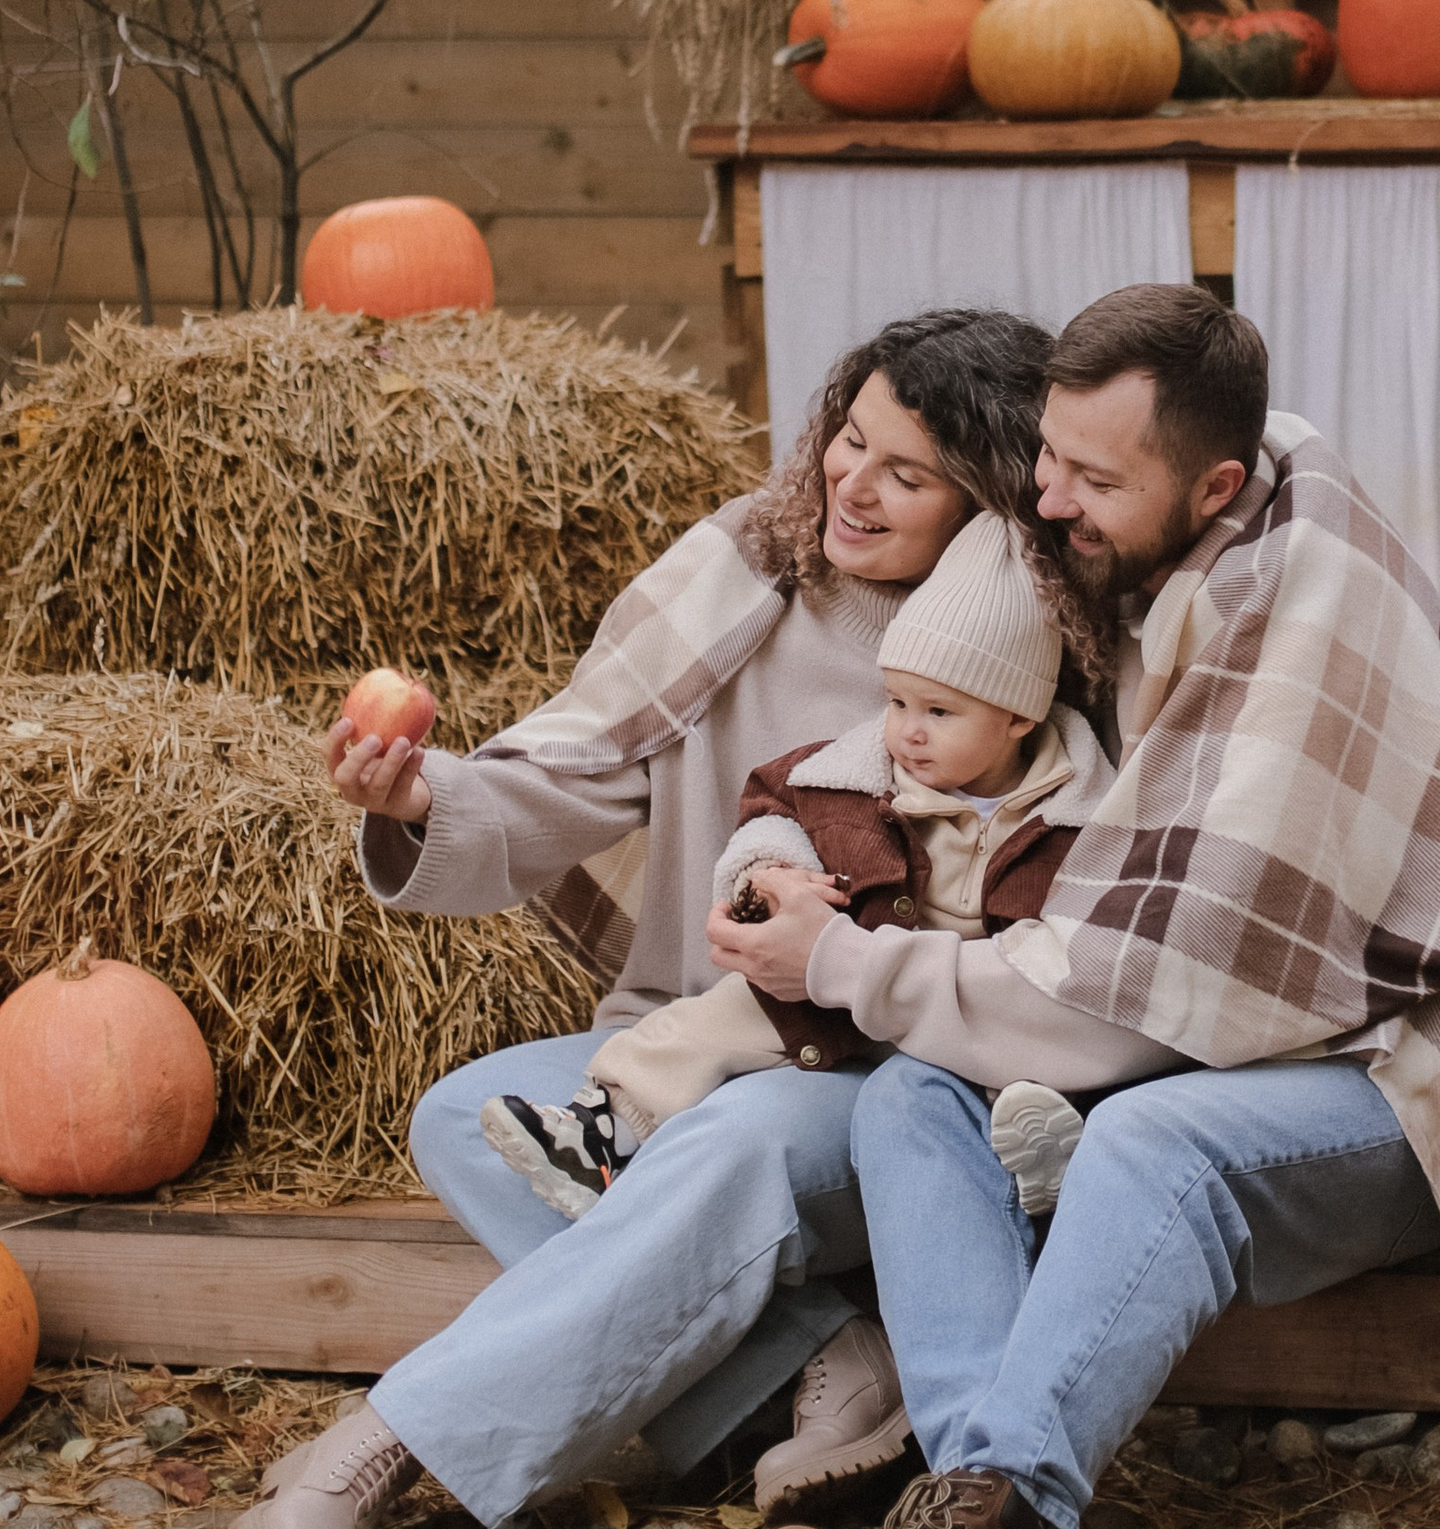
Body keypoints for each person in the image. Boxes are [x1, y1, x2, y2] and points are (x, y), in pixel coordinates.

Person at [728, 283, 1440, 1529]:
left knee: (1155, 1150)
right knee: (912, 1095)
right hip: (1267, 1042)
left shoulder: (1296, 600)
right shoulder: (1169, 535)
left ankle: (986, 1526)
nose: (1048, 502)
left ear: (1211, 481)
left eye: (1095, 481)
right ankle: (995, 1526)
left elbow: (1128, 1007)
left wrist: (846, 964)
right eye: (1048, 459)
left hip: (1423, 1069)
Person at [235, 308, 1100, 1529]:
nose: (847, 486)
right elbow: (574, 768)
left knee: (728, 1143)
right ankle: (828, 1360)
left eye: (904, 474)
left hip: (898, 1072)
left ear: (984, 505)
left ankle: (389, 1447)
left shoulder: (1032, 645)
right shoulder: (744, 574)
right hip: (711, 1027)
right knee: (471, 1113)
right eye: (847, 442)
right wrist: (423, 802)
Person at [472, 513, 1110, 1228]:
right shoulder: (854, 772)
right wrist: (776, 869)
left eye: (939, 711)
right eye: (896, 702)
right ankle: (602, 1132)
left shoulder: (1084, 812)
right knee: (715, 1017)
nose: (909, 730)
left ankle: (1044, 1150)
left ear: (1020, 718)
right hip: (842, 990)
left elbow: (1082, 952)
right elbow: (775, 810)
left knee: (1030, 1061)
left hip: (967, 1012)